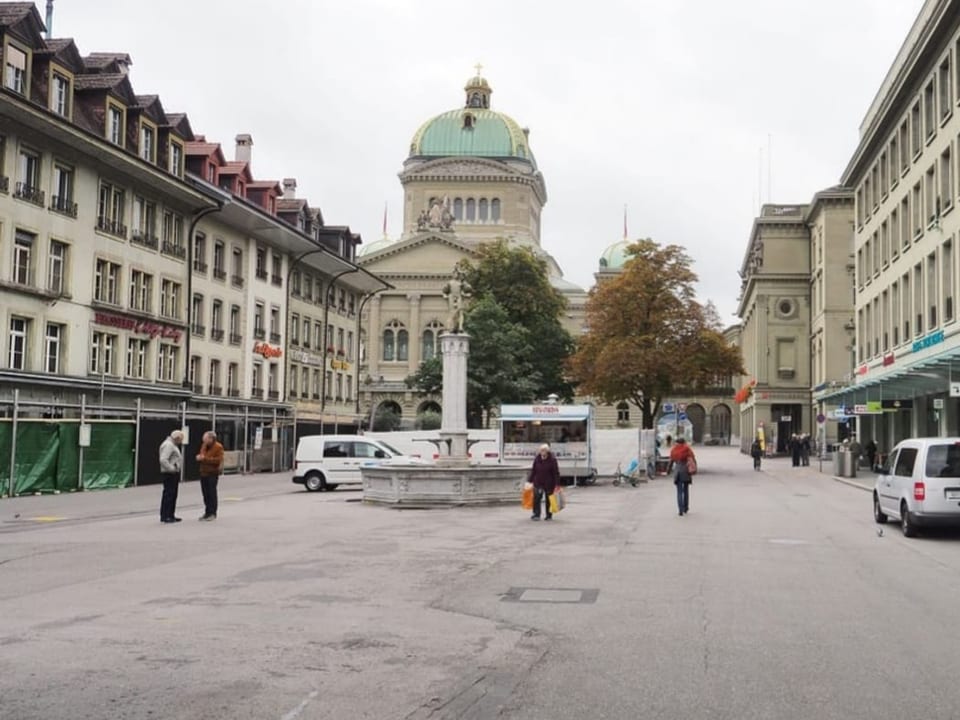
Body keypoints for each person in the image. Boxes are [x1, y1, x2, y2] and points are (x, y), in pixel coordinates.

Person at [196, 430, 225, 521]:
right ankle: (207, 512)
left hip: (212, 473)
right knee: (205, 494)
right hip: (203, 472)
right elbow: (202, 454)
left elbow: (218, 460)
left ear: (211, 439)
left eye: (205, 439)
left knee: (211, 493)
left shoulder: (218, 447)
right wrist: (199, 457)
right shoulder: (204, 445)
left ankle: (212, 512)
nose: (204, 441)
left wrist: (205, 459)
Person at [528, 443, 560, 521]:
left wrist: (557, 484)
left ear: (547, 451)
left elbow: (556, 473)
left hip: (549, 482)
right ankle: (536, 514)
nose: (542, 452)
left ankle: (549, 515)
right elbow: (534, 470)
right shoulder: (537, 459)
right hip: (538, 481)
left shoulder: (552, 460)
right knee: (536, 498)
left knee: (549, 499)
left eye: (544, 450)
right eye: (541, 450)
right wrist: (529, 481)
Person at [159, 430, 184, 523]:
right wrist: (172, 468)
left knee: (172, 494)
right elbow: (163, 459)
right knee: (169, 494)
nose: (181, 442)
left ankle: (170, 514)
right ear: (177, 438)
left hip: (171, 473)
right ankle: (166, 515)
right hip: (170, 473)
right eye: (181, 440)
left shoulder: (171, 444)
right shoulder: (169, 445)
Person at [669, 437, 696, 516]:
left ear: (676, 442)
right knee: (686, 490)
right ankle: (685, 507)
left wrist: (667, 471)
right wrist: (694, 469)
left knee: (679, 492)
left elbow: (671, 461)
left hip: (678, 472)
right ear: (684, 442)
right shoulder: (687, 449)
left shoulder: (674, 450)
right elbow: (693, 459)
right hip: (686, 471)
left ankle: (680, 510)